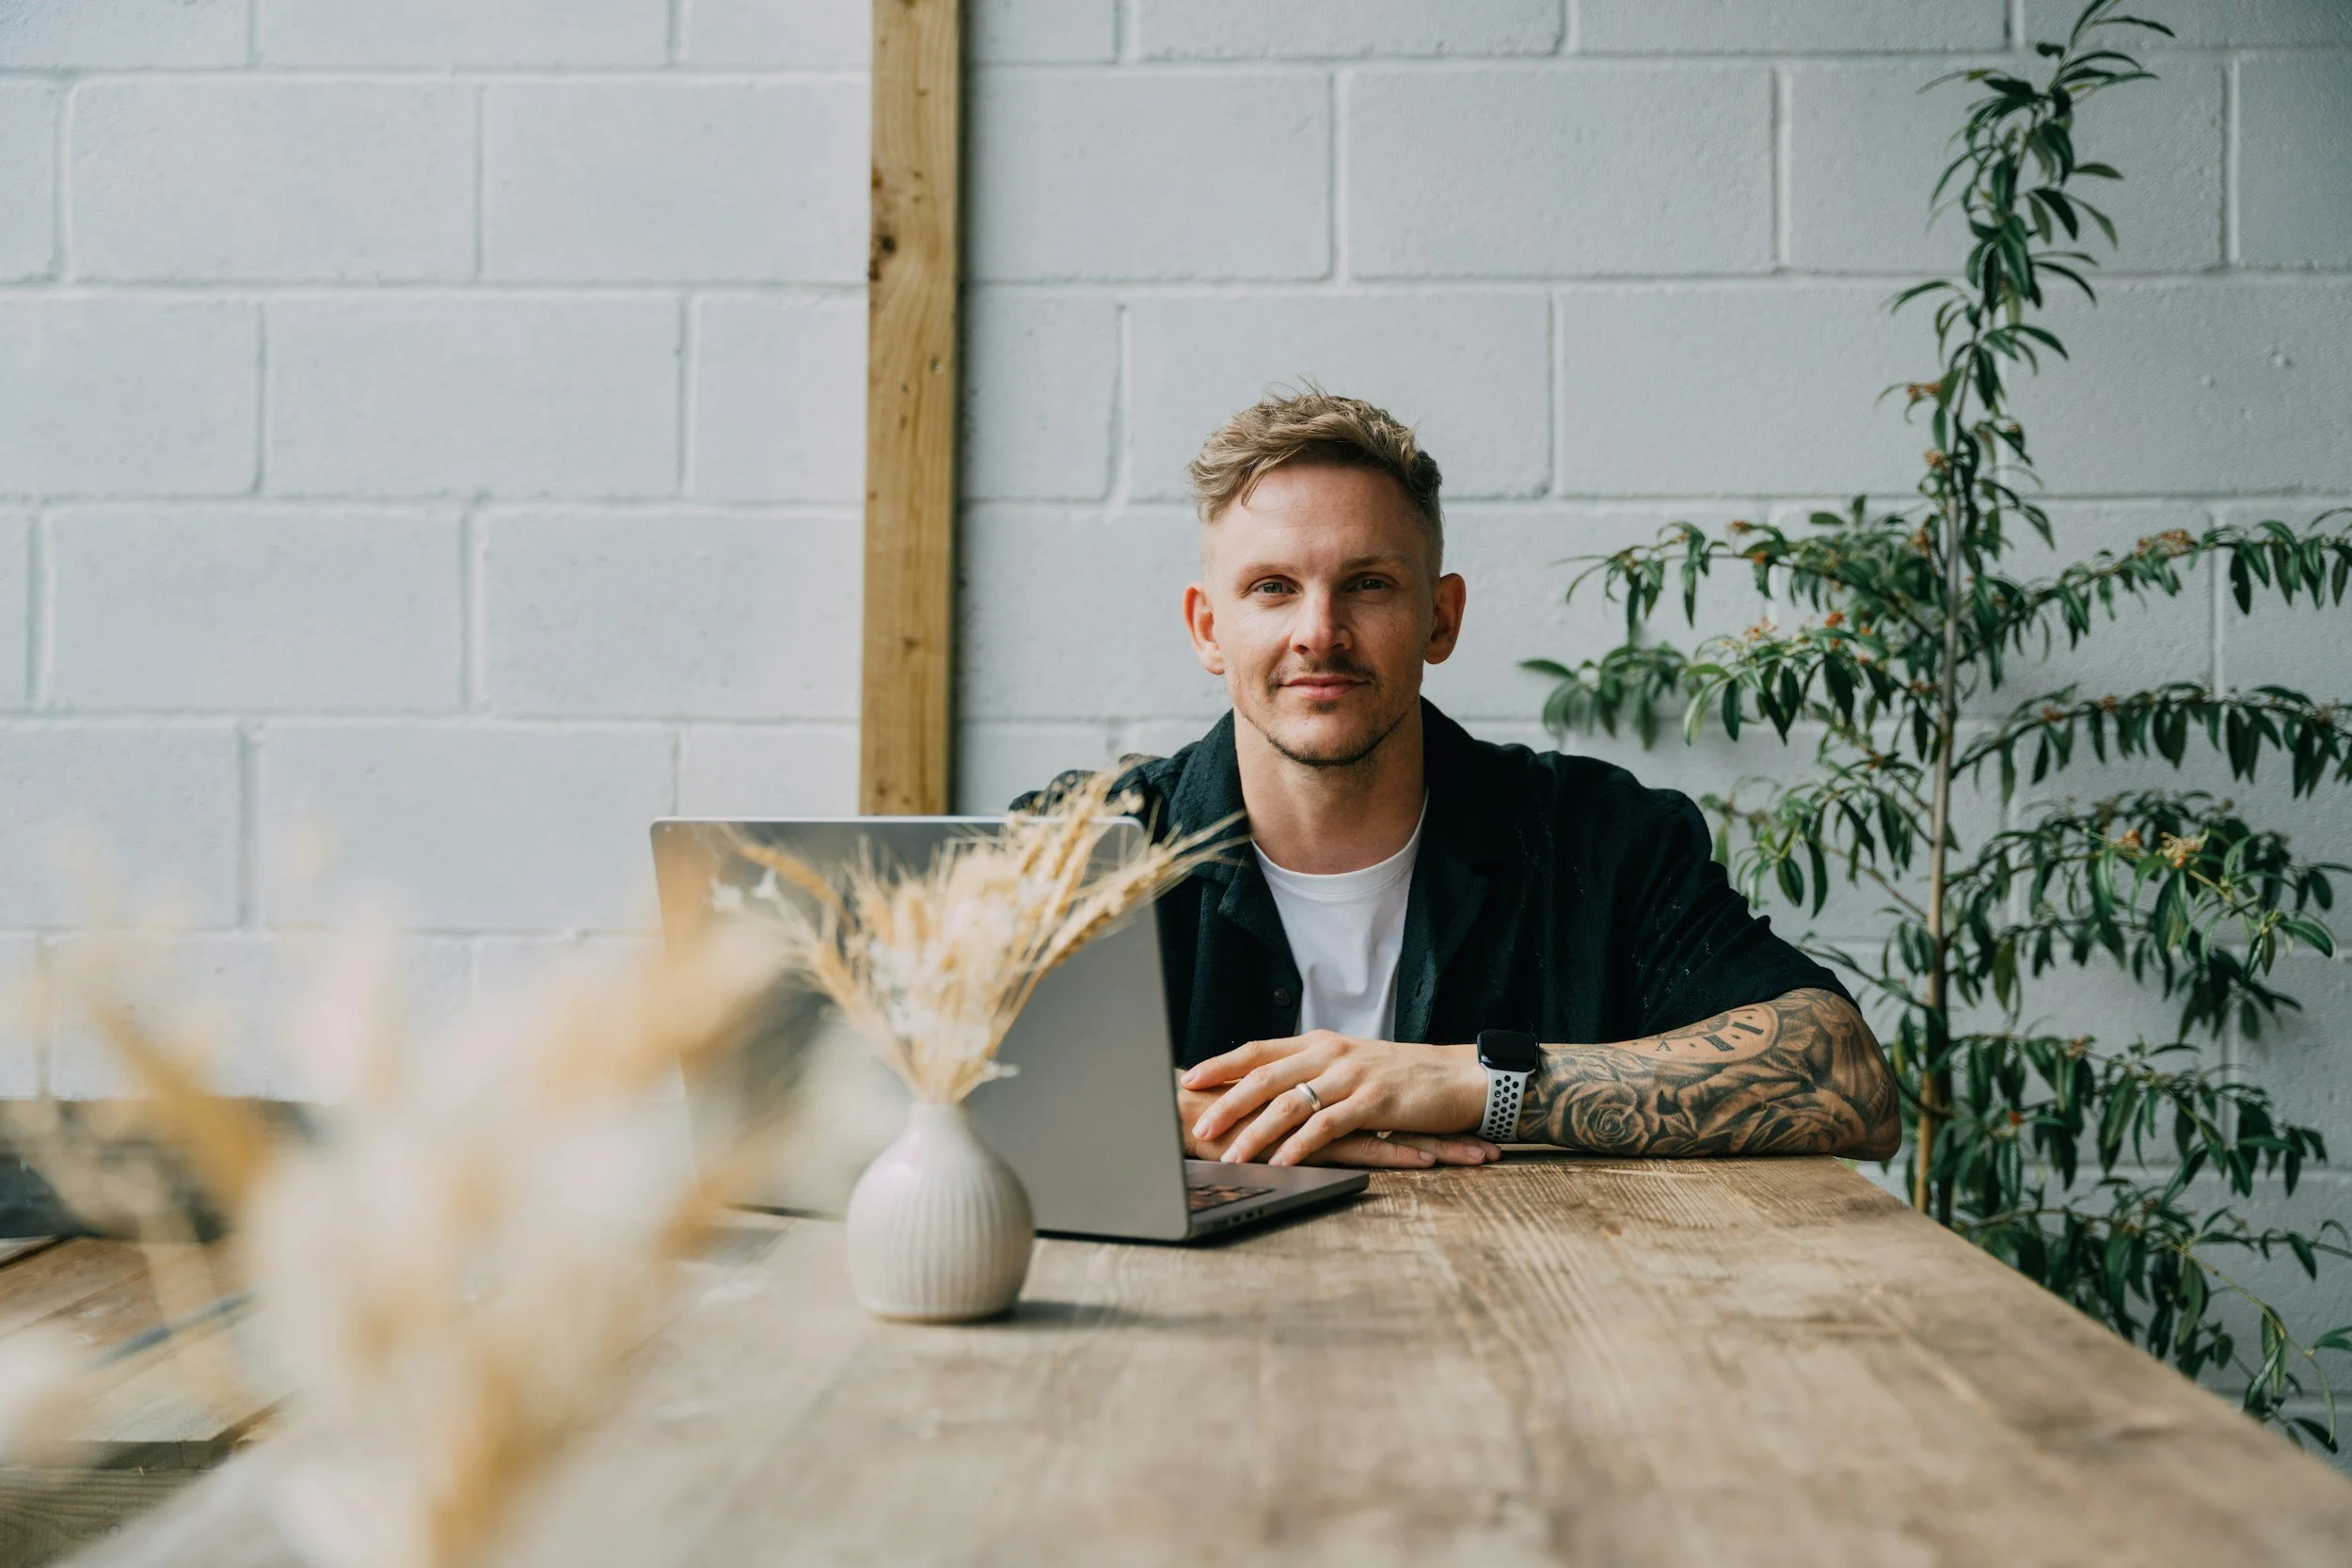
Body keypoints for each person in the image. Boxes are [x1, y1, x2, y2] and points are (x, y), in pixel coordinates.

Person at [1012, 388, 1901, 1172]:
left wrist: (1476, 1081)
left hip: (1546, 1323)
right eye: (1274, 587)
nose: (1320, 632)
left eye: (1367, 584)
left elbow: (1848, 1078)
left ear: (1441, 617)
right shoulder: (1080, 843)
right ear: (1209, 628)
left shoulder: (1599, 836)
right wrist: (1171, 1111)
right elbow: (898, 1064)